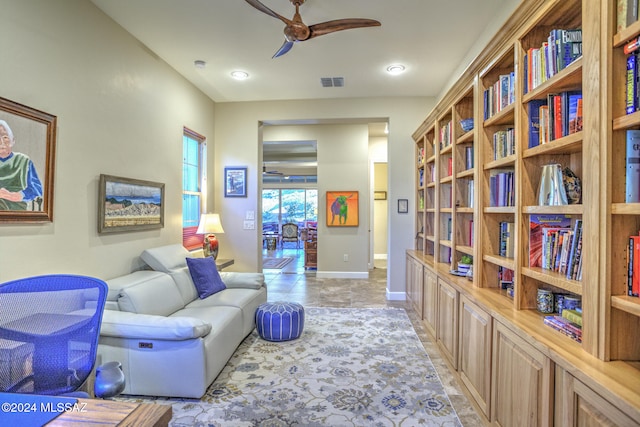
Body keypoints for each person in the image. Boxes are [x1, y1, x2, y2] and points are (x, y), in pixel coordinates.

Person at [0, 119, 43, 210]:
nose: (1, 142)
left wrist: (17, 196)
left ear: (13, 140)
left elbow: (37, 189)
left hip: (18, 210)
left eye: (5, 137)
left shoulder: (24, 160)